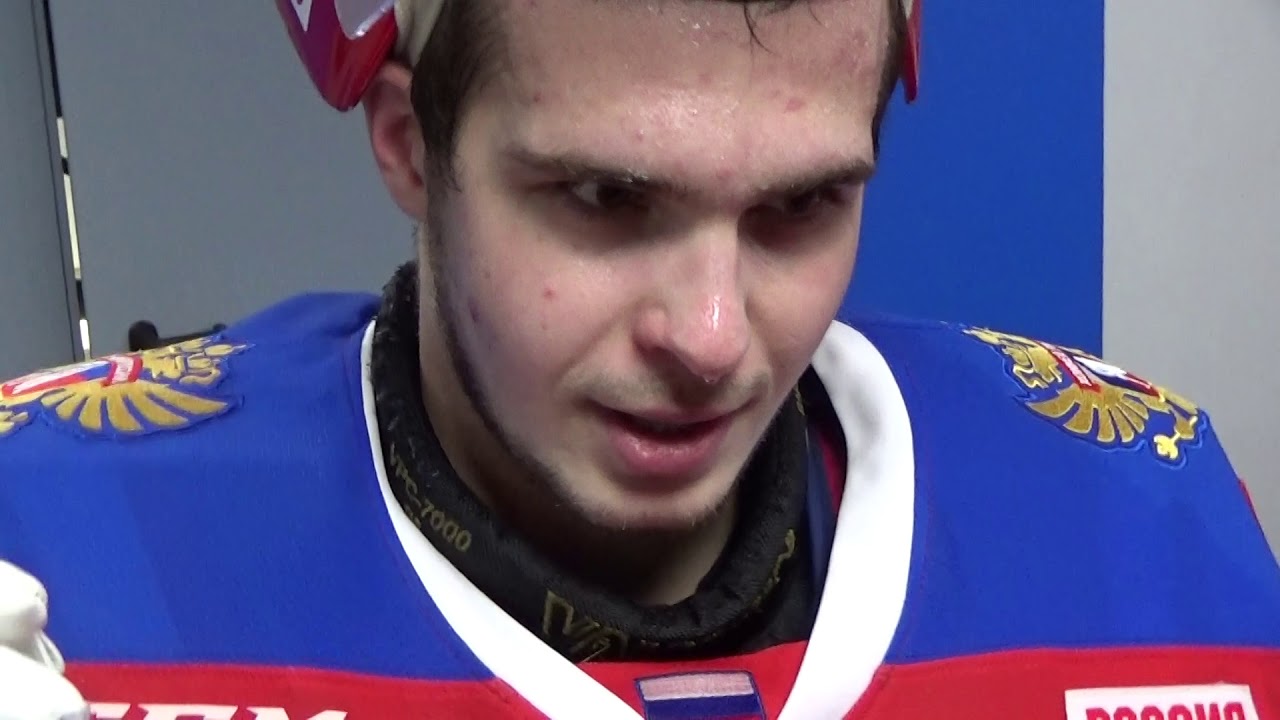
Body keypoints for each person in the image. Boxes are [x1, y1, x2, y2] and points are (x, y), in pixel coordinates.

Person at [1, 0, 1278, 717]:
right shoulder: (48, 540)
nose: (711, 339)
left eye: (800, 207)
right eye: (607, 200)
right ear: (408, 147)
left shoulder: (1140, 514)